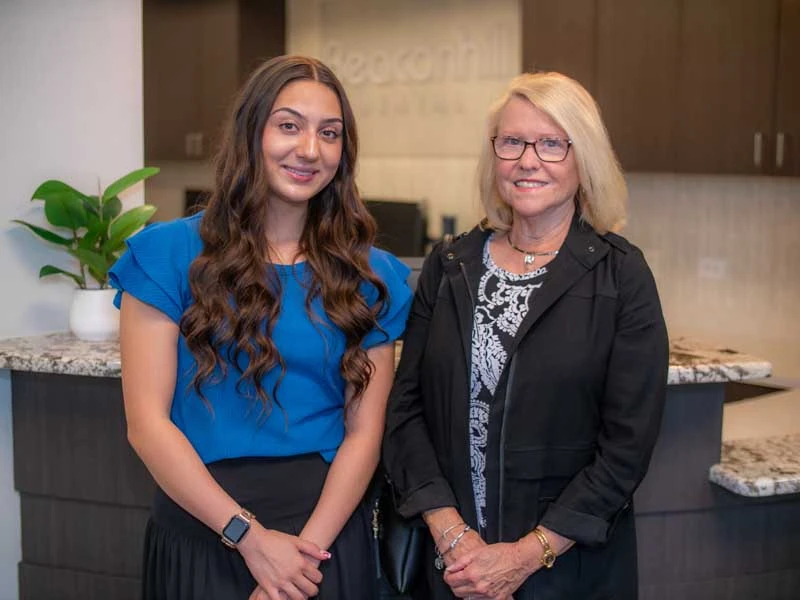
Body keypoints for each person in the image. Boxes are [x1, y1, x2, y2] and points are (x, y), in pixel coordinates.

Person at [110, 55, 412, 600]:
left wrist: (300, 560)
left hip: (323, 540)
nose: (310, 149)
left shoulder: (373, 277)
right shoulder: (164, 256)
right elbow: (147, 425)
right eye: (289, 126)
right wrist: (249, 539)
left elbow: (364, 434)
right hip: (203, 528)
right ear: (251, 132)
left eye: (329, 133)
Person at [383, 71, 669, 600]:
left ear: (584, 159)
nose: (528, 160)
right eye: (512, 141)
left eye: (552, 144)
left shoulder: (622, 276)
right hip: (450, 570)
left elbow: (627, 448)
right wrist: (452, 536)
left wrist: (524, 556)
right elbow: (405, 411)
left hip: (566, 574)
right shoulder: (449, 266)